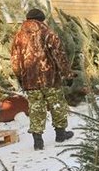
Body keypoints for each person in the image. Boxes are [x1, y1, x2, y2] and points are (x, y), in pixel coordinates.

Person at [10, 8, 74, 150]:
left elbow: (15, 59)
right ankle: (61, 134)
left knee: (36, 107)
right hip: (50, 78)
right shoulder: (48, 33)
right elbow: (59, 55)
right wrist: (67, 74)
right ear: (42, 19)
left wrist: (20, 76)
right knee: (57, 104)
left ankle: (38, 140)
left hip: (30, 80)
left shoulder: (19, 36)